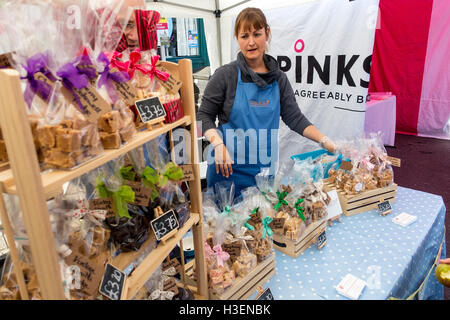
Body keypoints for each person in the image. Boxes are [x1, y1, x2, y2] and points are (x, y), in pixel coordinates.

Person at [196, 7, 336, 197]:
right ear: (237, 38)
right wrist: (218, 144)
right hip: (226, 172)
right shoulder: (225, 75)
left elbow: (294, 118)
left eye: (257, 34)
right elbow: (204, 115)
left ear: (267, 34)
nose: (251, 42)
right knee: (225, 225)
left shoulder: (279, 79)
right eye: (244, 36)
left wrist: (325, 140)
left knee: (259, 223)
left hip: (262, 173)